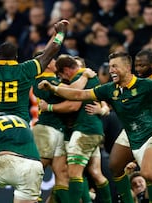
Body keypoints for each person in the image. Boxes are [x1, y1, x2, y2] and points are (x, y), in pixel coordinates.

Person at [38, 52, 152, 203]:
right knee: (115, 166)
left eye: (115, 66)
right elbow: (80, 95)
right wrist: (54, 89)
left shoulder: (145, 84)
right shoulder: (110, 89)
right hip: (131, 134)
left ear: (127, 68)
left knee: (149, 173)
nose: (111, 70)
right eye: (110, 67)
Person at [108, 49, 152, 203]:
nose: (138, 69)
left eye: (142, 65)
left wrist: (141, 105)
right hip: (135, 128)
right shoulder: (136, 81)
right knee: (116, 165)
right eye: (136, 65)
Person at [32, 58, 95, 202]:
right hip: (46, 129)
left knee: (62, 173)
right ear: (47, 63)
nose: (57, 63)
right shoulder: (43, 81)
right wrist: (85, 75)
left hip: (59, 130)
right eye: (54, 60)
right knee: (37, 169)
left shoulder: (53, 80)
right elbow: (72, 92)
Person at [54, 54, 112, 203]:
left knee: (73, 173)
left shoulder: (78, 80)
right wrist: (102, 109)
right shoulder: (92, 79)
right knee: (94, 172)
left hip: (84, 130)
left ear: (67, 70)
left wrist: (48, 106)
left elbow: (74, 102)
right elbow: (102, 101)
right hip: (91, 130)